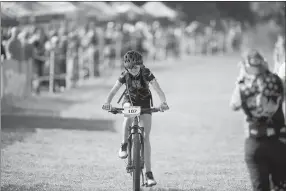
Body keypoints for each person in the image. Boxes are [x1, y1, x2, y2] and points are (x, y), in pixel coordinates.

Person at [102, 50, 169, 186]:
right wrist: (107, 103)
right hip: (130, 100)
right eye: (130, 68)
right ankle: (124, 144)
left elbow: (158, 89)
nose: (133, 70)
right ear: (126, 67)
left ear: (141, 65)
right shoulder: (124, 75)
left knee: (146, 136)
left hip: (145, 101)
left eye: (136, 67)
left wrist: (163, 103)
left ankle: (149, 173)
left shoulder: (146, 73)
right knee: (128, 116)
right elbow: (114, 90)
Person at [230, 49, 286, 191]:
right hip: (279, 140)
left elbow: (234, 105)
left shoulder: (242, 85)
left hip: (255, 141)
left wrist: (242, 78)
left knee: (260, 187)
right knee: (280, 187)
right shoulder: (276, 81)